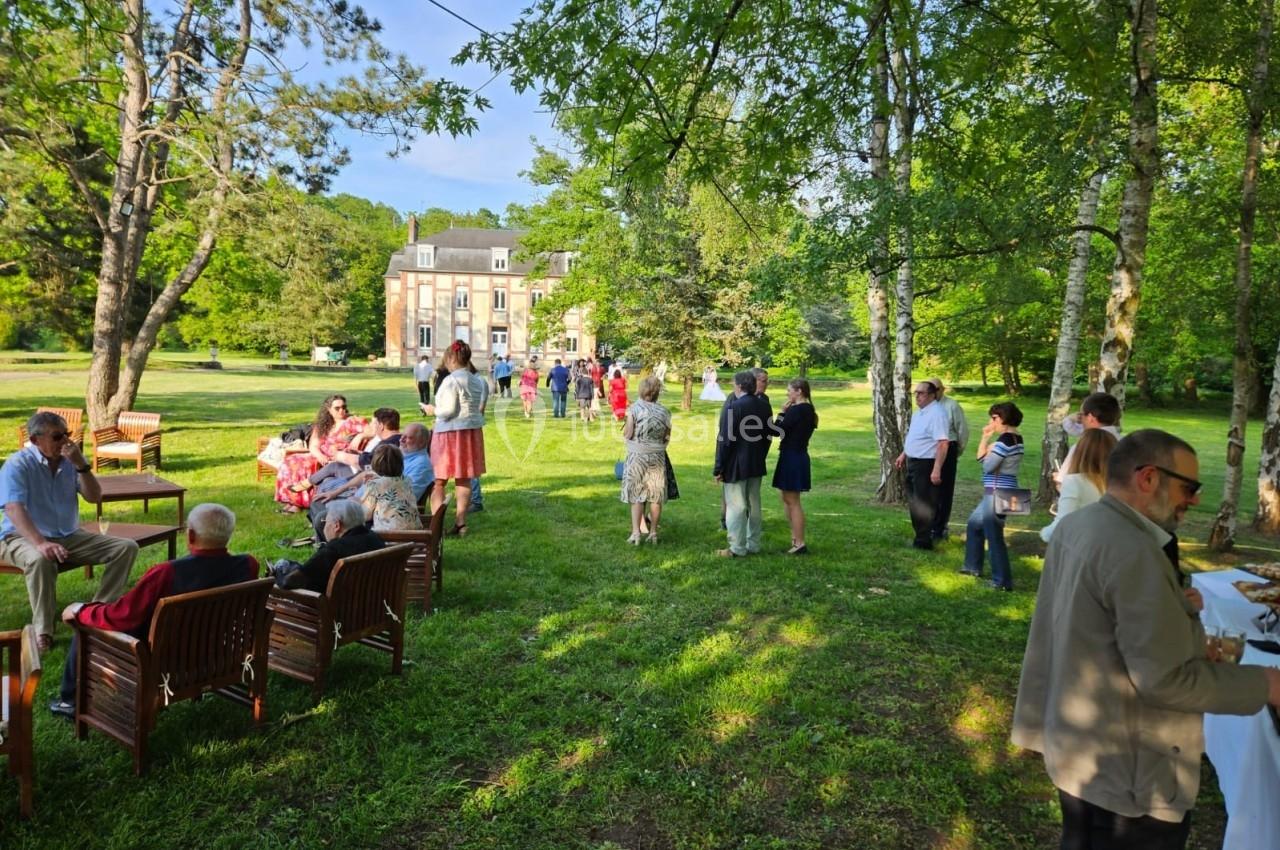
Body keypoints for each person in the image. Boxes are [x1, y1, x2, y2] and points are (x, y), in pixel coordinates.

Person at [1012, 430, 1280, 848]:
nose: (1193, 500)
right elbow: (1165, 680)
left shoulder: (1082, 524)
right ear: (1149, 478)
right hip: (1129, 775)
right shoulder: (1134, 552)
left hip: (1081, 749)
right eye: (1189, 488)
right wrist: (1266, 684)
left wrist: (1180, 619)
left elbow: (1095, 626)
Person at [48, 503, 257, 719]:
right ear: (228, 536)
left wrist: (82, 610)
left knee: (84, 626)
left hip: (163, 662)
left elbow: (123, 616)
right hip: (212, 652)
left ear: (191, 535)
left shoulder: (167, 573)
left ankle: (70, 702)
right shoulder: (248, 565)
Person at [0, 411, 138, 652]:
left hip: (67, 535)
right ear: (35, 440)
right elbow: (13, 508)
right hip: (21, 536)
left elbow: (94, 497)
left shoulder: (70, 462)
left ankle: (98, 613)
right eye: (57, 436)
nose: (65, 441)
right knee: (41, 559)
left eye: (67, 434)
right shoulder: (18, 464)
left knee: (126, 547)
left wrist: (82, 466)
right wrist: (41, 542)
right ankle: (43, 631)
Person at [423, 339, 488, 536]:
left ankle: (437, 525)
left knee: (439, 481)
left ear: (451, 358)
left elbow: (448, 410)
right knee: (464, 479)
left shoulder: (451, 381)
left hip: (449, 433)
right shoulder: (478, 380)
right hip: (471, 432)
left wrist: (432, 410)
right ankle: (461, 522)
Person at [959, 402, 1025, 590]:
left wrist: (989, 448)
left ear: (1002, 418)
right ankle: (972, 567)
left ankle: (1002, 581)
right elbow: (982, 459)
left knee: (994, 537)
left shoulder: (1004, 440)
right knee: (974, 524)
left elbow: (987, 465)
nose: (990, 422)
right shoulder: (1016, 438)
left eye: (993, 418)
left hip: (998, 493)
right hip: (1004, 491)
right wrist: (985, 439)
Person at [714, 371, 773, 557]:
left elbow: (725, 440)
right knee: (754, 504)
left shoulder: (734, 407)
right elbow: (768, 436)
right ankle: (753, 544)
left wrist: (718, 467)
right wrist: (761, 455)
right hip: (756, 461)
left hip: (736, 463)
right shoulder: (764, 406)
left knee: (736, 506)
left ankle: (737, 548)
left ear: (739, 386)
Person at [274, 395, 366, 512]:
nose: (341, 410)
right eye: (337, 408)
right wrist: (320, 455)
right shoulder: (324, 424)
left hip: (338, 458)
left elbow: (372, 431)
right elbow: (313, 445)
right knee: (291, 460)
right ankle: (291, 500)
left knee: (302, 465)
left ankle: (298, 504)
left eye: (343, 407)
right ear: (328, 409)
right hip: (320, 455)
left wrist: (360, 436)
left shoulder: (352, 422)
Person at [273, 499, 385, 592]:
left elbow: (289, 582)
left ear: (336, 525)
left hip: (335, 612)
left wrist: (276, 575)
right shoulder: (376, 539)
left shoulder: (333, 550)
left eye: (326, 521)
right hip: (373, 606)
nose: (325, 525)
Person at [894, 381, 951, 550]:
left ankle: (924, 540)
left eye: (921, 393)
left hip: (926, 463)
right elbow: (915, 436)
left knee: (924, 502)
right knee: (914, 500)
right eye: (916, 393)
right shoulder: (920, 413)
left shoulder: (937, 413)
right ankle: (919, 535)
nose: (917, 396)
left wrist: (936, 469)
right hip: (913, 460)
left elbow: (942, 443)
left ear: (932, 395)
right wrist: (904, 453)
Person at [1040, 428, 1117, 543]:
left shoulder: (1074, 482)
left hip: (1084, 547)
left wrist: (1043, 533)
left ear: (1079, 453)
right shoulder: (1121, 483)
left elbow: (1061, 526)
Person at [621, 376, 673, 545]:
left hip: (637, 457)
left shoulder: (634, 409)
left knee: (636, 494)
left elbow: (628, 434)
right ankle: (653, 533)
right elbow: (667, 436)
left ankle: (636, 533)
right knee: (655, 496)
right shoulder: (665, 412)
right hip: (657, 457)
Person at [771, 379, 818, 555]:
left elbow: (777, 431)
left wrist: (781, 413)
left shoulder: (798, 410)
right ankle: (795, 539)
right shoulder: (808, 410)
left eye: (789, 390)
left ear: (799, 391)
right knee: (787, 499)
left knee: (793, 501)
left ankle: (799, 543)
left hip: (793, 457)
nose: (787, 393)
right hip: (796, 456)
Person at [926, 377, 969, 542]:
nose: (933, 393)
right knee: (929, 490)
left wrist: (956, 451)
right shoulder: (926, 407)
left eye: (936, 389)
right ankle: (928, 524)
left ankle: (940, 527)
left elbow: (962, 430)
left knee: (944, 490)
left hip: (947, 448)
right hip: (929, 450)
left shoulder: (951, 406)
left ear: (942, 390)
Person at [1057, 391, 1122, 487]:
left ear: (1091, 418)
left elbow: (1064, 483)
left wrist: (1058, 480)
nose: (1080, 419)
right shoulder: (1127, 443)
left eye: (1081, 414)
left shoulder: (1082, 447)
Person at [357, 444, 422, 532]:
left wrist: (355, 503)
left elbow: (365, 515)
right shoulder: (407, 481)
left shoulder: (375, 484)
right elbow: (390, 481)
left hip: (391, 538)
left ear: (375, 463)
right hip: (416, 535)